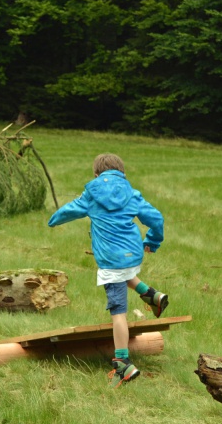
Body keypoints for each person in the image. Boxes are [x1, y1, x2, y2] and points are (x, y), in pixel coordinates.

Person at [48, 153, 168, 388]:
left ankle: (123, 363)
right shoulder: (131, 194)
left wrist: (54, 219)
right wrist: (152, 241)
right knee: (125, 274)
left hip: (111, 260)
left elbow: (69, 210)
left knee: (118, 313)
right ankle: (152, 295)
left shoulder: (91, 194)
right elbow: (157, 218)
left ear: (96, 174)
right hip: (132, 254)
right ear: (123, 174)